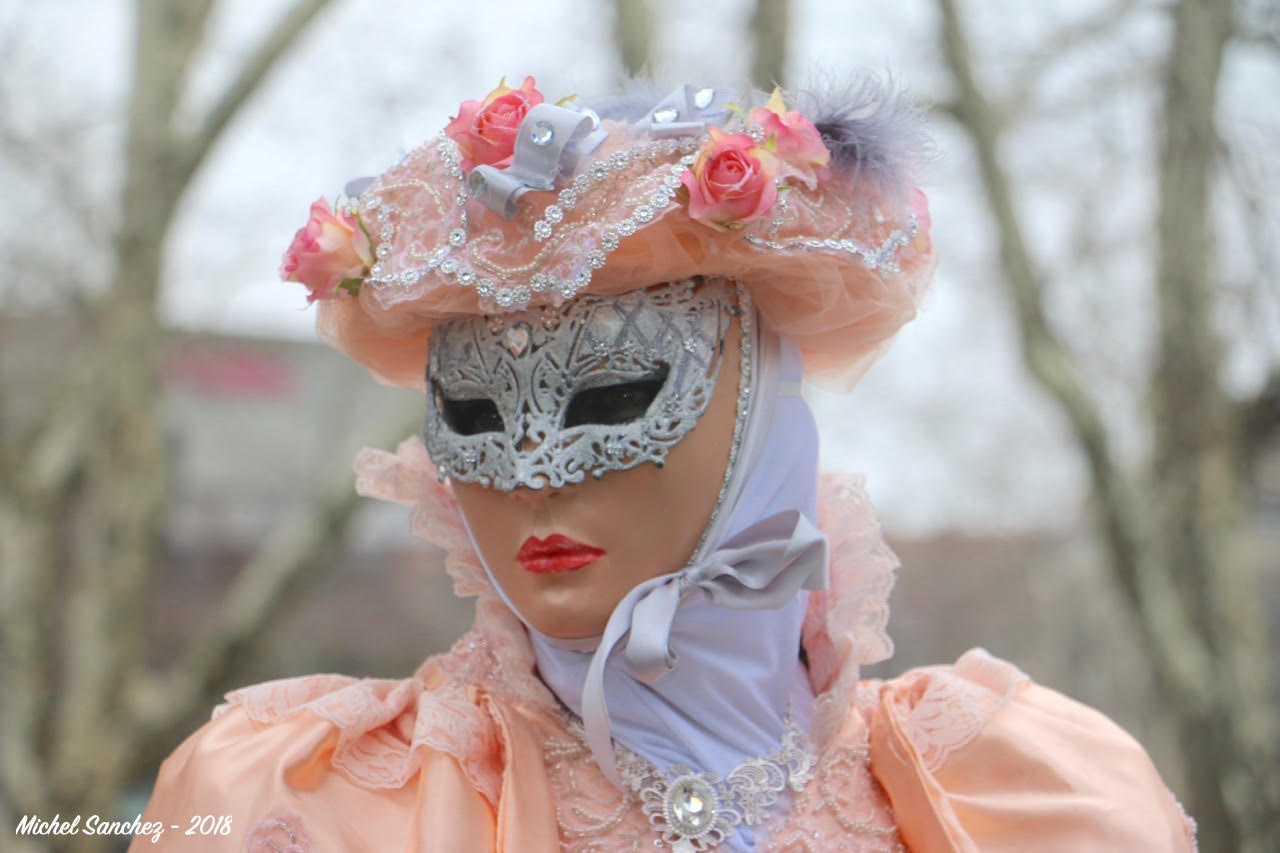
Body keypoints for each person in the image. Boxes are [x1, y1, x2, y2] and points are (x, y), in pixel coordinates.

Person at [134, 76, 1197, 852]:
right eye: (475, 413)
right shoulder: (309, 802)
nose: (533, 472)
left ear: (763, 425)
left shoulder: (1016, 796)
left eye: (609, 396)